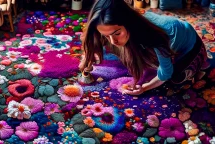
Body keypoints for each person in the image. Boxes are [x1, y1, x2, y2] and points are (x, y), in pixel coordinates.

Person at [79, 0, 207, 95]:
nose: (113, 41)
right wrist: (87, 59)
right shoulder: (116, 28)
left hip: (191, 48)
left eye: (117, 33)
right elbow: (92, 40)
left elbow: (165, 73)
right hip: (165, 42)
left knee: (174, 79)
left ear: (128, 23)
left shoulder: (155, 36)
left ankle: (197, 66)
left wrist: (144, 88)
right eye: (106, 36)